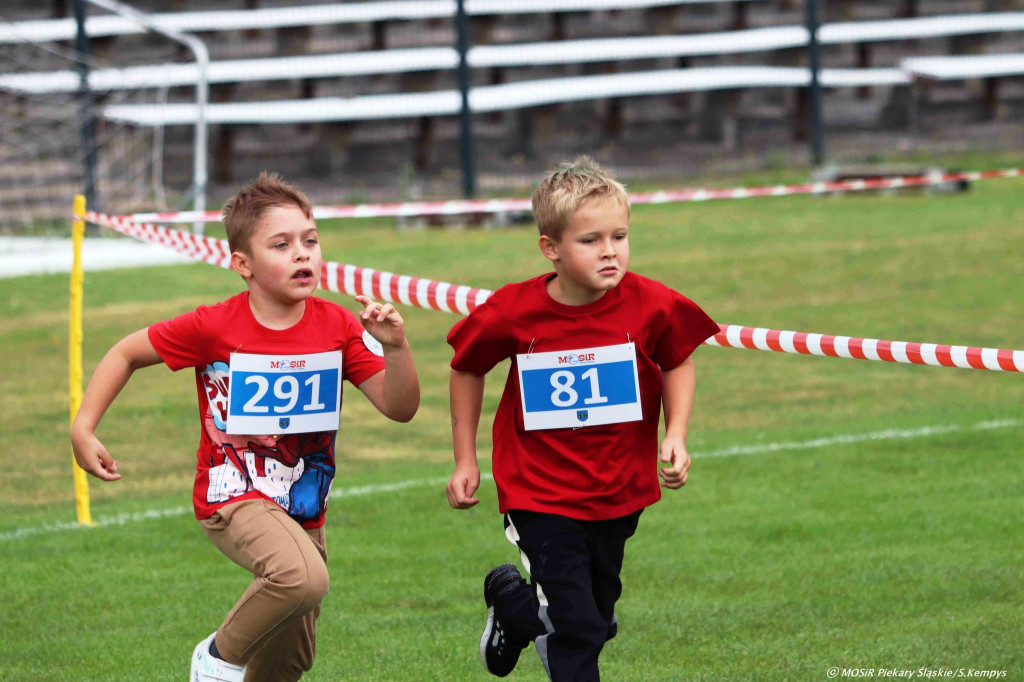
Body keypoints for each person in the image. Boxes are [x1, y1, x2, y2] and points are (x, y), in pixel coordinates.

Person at [71, 172, 420, 682]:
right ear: (243, 264)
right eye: (281, 245)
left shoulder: (339, 326)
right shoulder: (213, 326)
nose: (302, 254)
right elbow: (126, 352)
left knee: (288, 659)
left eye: (310, 240)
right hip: (232, 492)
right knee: (301, 578)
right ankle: (214, 659)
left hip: (303, 504)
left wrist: (395, 346)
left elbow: (400, 407)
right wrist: (84, 427)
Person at [445, 156, 719, 681]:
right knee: (578, 629)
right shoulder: (512, 312)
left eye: (619, 236)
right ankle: (541, 621)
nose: (610, 251)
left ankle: (513, 608)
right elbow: (465, 367)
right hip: (539, 492)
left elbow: (677, 358)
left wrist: (676, 434)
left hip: (618, 489)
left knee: (596, 618)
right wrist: (464, 458)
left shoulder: (652, 304)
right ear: (551, 249)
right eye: (590, 240)